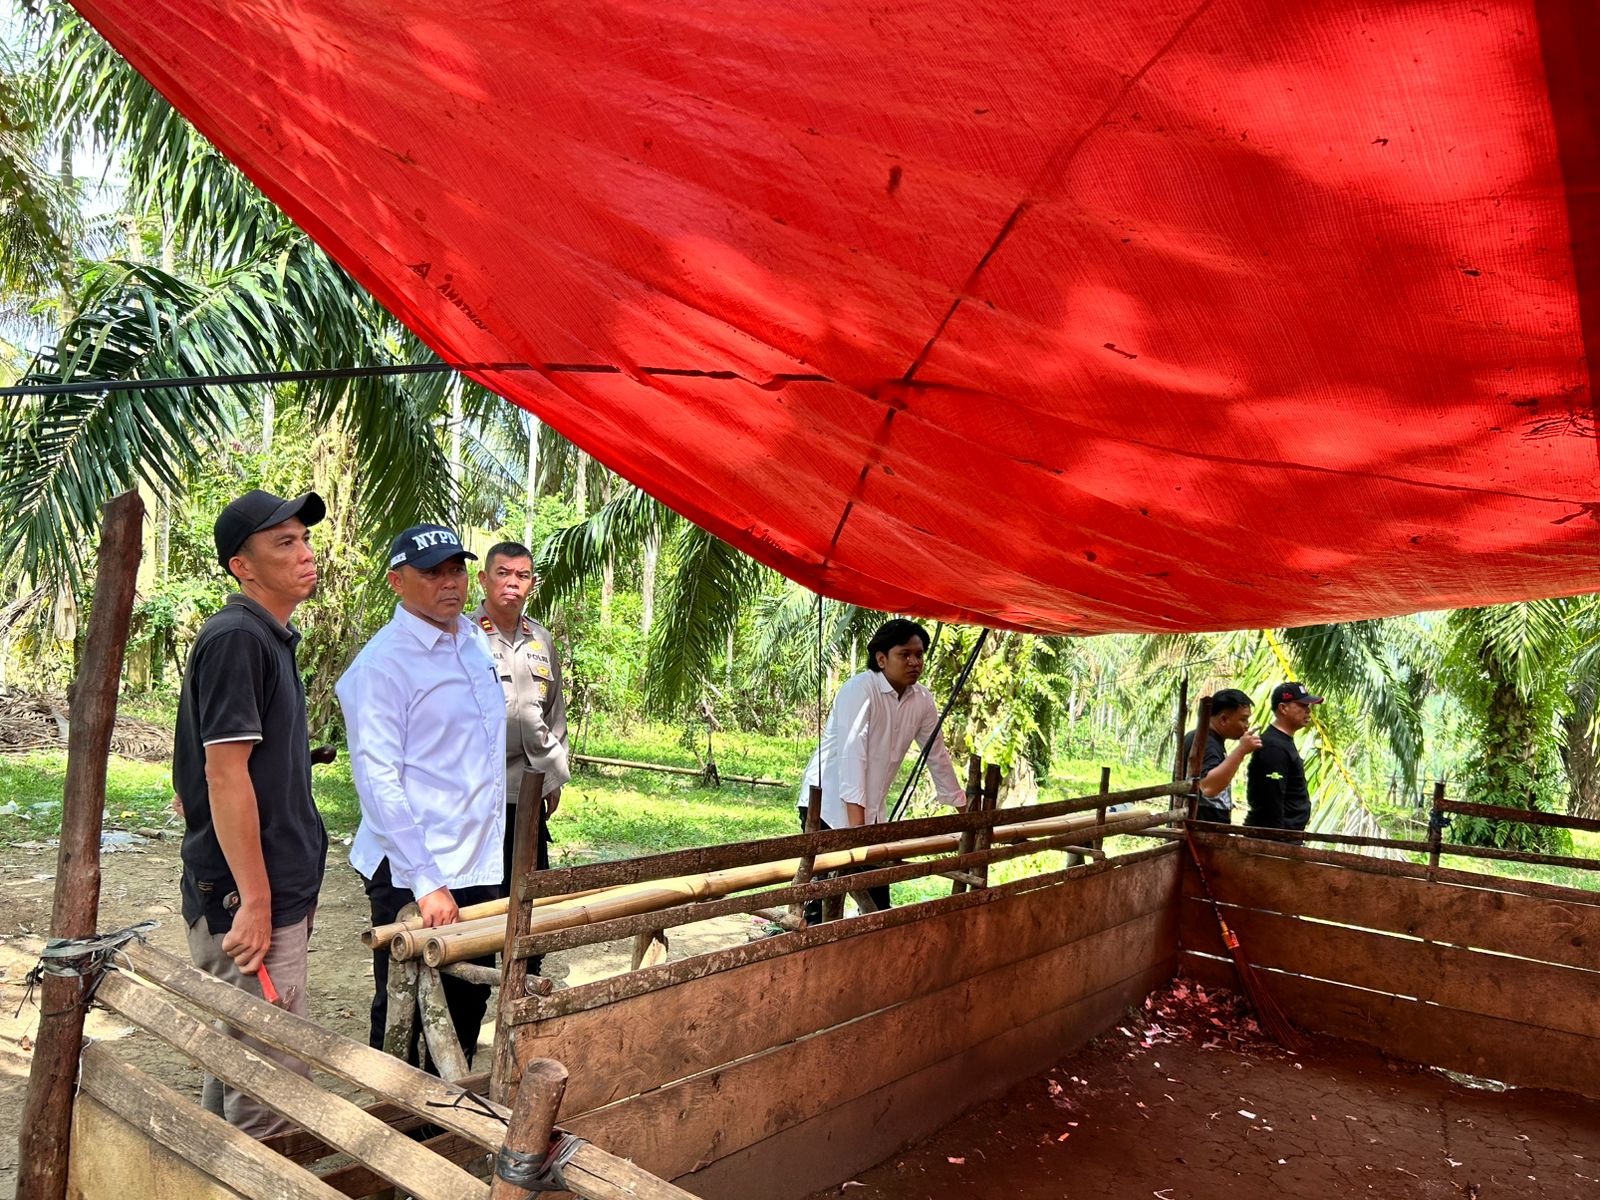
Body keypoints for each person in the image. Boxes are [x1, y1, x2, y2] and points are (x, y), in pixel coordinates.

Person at [173, 489, 329, 1138]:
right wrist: (257, 904)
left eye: (304, 539)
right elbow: (224, 773)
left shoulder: (265, 636)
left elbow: (205, 765)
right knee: (268, 1086)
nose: (305, 553)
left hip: (267, 885)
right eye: (284, 543)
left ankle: (206, 1178)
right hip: (249, 898)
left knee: (238, 1055)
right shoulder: (239, 637)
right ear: (243, 566)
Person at [339, 524, 506, 1069]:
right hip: (417, 869)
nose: (449, 582)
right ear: (397, 581)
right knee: (407, 1004)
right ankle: (396, 1125)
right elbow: (378, 781)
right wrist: (428, 881)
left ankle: (446, 1121)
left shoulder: (472, 640)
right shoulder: (383, 666)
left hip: (479, 856)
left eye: (455, 569)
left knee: (468, 994)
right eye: (431, 572)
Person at [797, 618, 967, 922]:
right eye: (905, 654)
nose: (915, 662)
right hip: (829, 804)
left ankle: (867, 957)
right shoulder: (860, 690)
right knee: (820, 903)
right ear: (881, 658)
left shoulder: (922, 700)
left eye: (919, 654)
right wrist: (858, 832)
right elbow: (853, 756)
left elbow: (936, 755)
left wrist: (964, 811)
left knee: (876, 899)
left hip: (871, 811)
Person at [469, 542, 570, 896]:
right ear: (484, 579)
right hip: (476, 792)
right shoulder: (463, 636)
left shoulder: (540, 638)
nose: (512, 583)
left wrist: (554, 776)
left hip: (527, 788)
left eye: (522, 575)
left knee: (528, 893)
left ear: (532, 583)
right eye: (503, 573)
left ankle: (529, 955)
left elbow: (554, 713)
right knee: (480, 896)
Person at [1245, 681, 1323, 830]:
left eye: (1308, 706)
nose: (1308, 711)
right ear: (1283, 708)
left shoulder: (1282, 742)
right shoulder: (1274, 746)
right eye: (1302, 705)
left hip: (1285, 837)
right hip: (1276, 839)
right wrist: (1277, 842)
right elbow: (1271, 800)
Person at [1180, 688, 1262, 824]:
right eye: (1243, 719)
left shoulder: (1205, 738)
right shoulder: (1206, 742)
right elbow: (1208, 787)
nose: (1247, 725)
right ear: (1223, 719)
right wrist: (1241, 751)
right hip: (1200, 830)